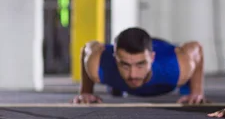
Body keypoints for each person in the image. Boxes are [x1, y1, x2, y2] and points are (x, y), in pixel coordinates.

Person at [72, 27, 206, 105]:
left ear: (152, 58)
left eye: (140, 65)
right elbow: (86, 49)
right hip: (115, 76)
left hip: (164, 58)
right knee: (107, 77)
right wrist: (86, 92)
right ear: (115, 58)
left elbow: (196, 47)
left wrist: (196, 92)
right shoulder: (98, 64)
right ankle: (116, 87)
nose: (132, 74)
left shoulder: (177, 67)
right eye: (125, 65)